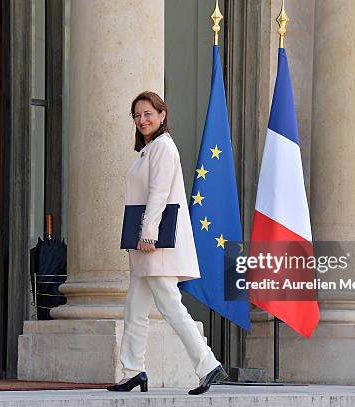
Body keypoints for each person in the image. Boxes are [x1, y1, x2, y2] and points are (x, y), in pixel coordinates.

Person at [107, 91, 226, 395]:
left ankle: (207, 363)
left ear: (162, 115)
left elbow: (159, 193)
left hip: (155, 243)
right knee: (135, 309)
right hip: (147, 245)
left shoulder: (163, 147)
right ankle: (133, 371)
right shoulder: (149, 150)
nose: (142, 120)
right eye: (137, 115)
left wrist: (148, 233)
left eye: (148, 113)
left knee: (170, 306)